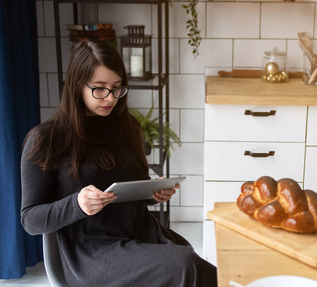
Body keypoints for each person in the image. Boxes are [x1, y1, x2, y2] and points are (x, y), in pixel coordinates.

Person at [20, 41, 217, 287]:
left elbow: (128, 188)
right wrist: (77, 204)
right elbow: (30, 219)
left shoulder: (128, 127)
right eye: (100, 89)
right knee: (185, 264)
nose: (110, 98)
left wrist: (152, 192)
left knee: (207, 270)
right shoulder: (46, 139)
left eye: (116, 88)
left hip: (139, 234)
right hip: (90, 252)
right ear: (76, 86)